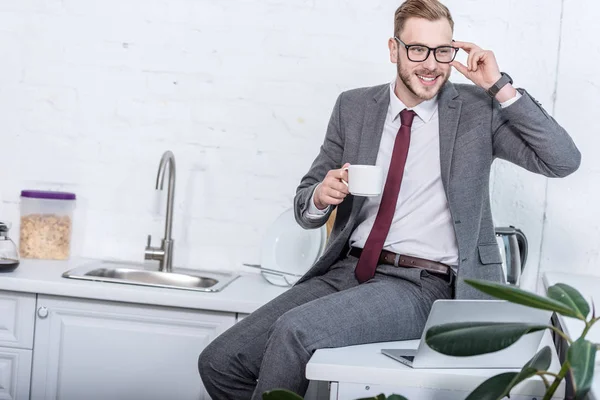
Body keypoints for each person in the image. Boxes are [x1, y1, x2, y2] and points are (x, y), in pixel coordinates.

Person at [198, 0, 581, 398]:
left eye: (443, 51)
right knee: (220, 361)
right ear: (393, 49)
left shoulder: (477, 110)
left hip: (421, 283)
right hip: (346, 270)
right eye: (418, 50)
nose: (431, 64)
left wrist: (500, 86)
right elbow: (305, 204)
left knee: (295, 332)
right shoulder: (355, 106)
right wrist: (320, 196)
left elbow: (563, 161)